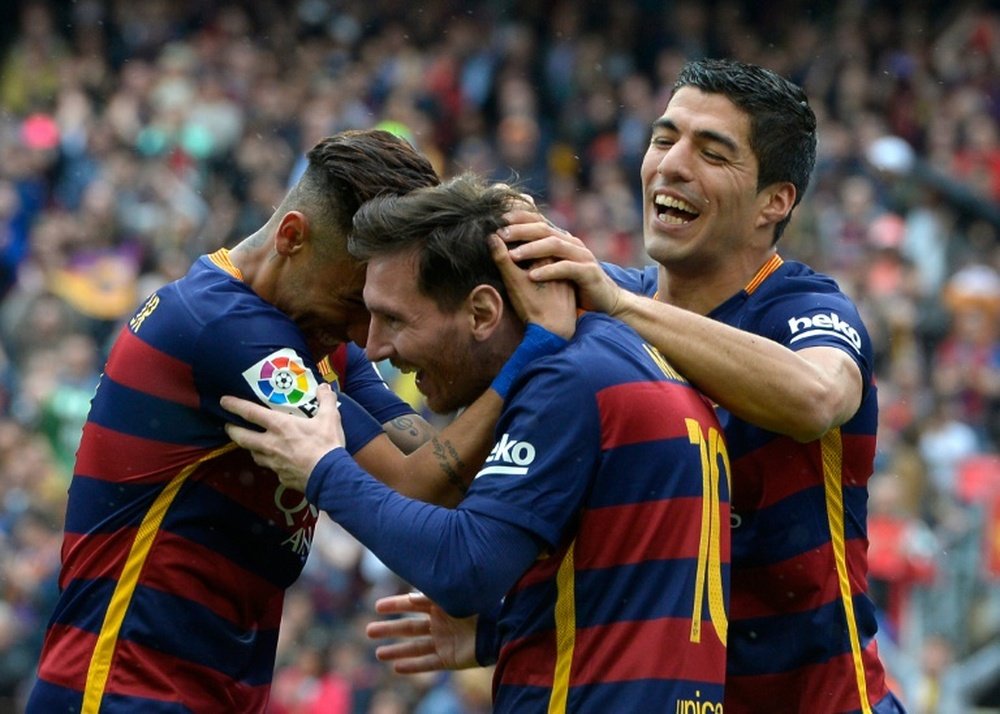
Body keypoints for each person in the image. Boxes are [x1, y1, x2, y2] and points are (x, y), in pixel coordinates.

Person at [368, 58, 906, 713]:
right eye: (663, 138)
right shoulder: (599, 304)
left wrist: (619, 305)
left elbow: (818, 399)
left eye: (712, 152)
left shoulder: (798, 309)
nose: (672, 164)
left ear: (775, 201)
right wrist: (500, 626)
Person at [25, 130, 558, 713]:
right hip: (120, 691)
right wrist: (539, 346)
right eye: (356, 303)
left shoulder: (312, 332)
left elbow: (433, 462)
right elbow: (417, 483)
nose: (369, 338)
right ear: (292, 237)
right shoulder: (229, 332)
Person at [221, 174, 732, 713]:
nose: (373, 348)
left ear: (483, 312)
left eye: (393, 318)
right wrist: (504, 630)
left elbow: (465, 569)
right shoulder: (626, 353)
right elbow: (627, 573)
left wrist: (323, 469)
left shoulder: (567, 380)